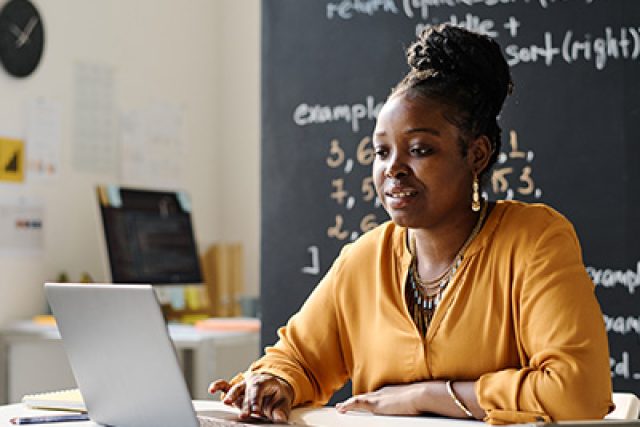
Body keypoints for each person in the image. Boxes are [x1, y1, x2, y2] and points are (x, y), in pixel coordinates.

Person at [209, 24, 613, 424]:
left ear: (477, 154)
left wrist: (427, 396)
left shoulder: (534, 240)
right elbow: (297, 359)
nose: (393, 170)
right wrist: (274, 382)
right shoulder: (365, 259)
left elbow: (578, 391)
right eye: (381, 151)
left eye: (419, 149)